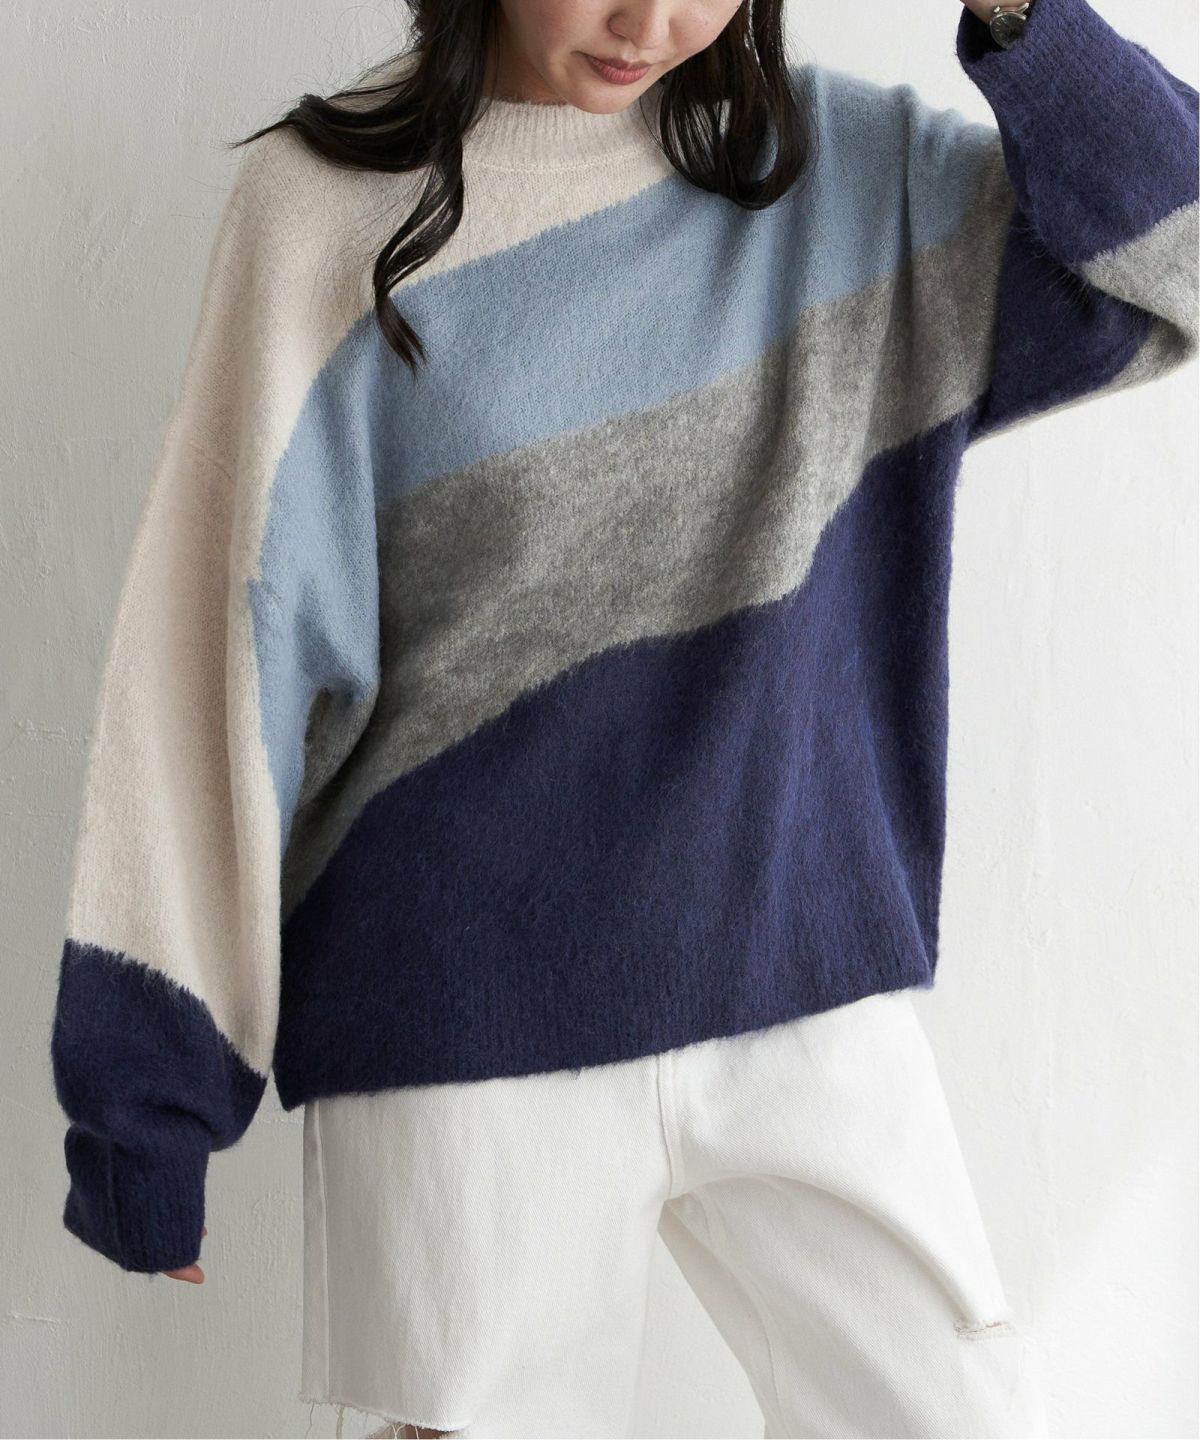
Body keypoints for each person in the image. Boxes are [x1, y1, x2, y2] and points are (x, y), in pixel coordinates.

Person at [48, 0, 1197, 1436]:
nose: (652, 20)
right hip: (462, 1028)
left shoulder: (844, 175)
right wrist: (146, 1095)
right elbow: (218, 644)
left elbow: (1177, 257)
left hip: (801, 976)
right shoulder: (326, 209)